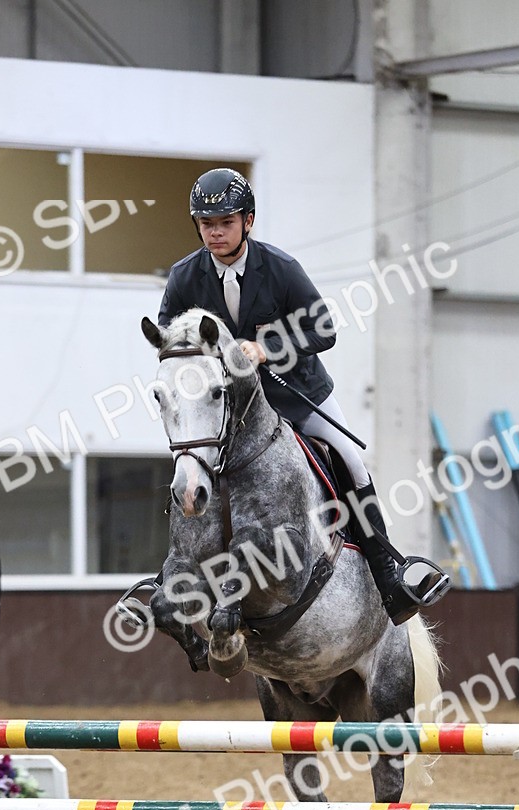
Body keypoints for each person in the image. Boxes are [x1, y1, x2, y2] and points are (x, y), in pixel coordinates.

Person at [155, 166, 447, 626]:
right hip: (226, 407)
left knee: (350, 456)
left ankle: (388, 572)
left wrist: (265, 349)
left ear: (248, 221)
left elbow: (323, 329)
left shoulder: (281, 269)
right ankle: (168, 576)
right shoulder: (183, 278)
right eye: (207, 224)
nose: (215, 232)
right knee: (191, 463)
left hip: (295, 393)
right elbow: (173, 344)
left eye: (226, 222)